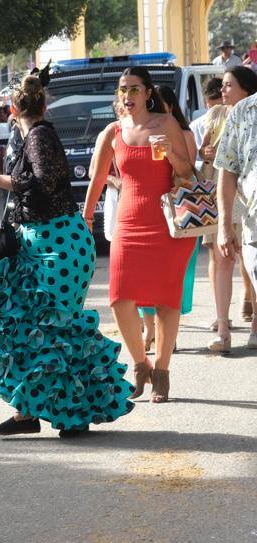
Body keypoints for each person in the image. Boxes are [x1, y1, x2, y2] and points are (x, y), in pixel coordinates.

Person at [0, 75, 135, 438]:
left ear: (12, 110)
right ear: (43, 104)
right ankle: (31, 412)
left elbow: (44, 182)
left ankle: (69, 414)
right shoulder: (29, 136)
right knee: (33, 326)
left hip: (58, 246)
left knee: (54, 328)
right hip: (46, 243)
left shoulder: (39, 136)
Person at [82, 66, 196, 402]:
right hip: (128, 223)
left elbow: (187, 172)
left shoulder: (166, 124)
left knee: (166, 300)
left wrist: (171, 151)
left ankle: (161, 371)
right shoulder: (113, 132)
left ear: (148, 93)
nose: (127, 95)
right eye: (122, 90)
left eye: (133, 89)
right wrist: (85, 219)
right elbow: (98, 178)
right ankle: (140, 364)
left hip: (166, 225)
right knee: (119, 299)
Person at [137, 86, 203, 350]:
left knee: (172, 278)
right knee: (144, 276)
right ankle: (150, 329)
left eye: (156, 106)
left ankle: (166, 333)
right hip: (148, 213)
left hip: (177, 213)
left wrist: (169, 152)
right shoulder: (138, 131)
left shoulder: (183, 134)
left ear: (170, 108)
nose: (151, 112)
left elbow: (187, 173)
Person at [206, 66, 257, 351]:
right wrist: (224, 225)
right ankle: (225, 323)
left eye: (229, 85)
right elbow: (226, 170)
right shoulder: (243, 112)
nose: (223, 90)